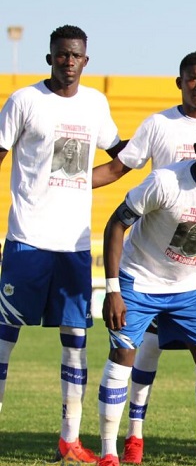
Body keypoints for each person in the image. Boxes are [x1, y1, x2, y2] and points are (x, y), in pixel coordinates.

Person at [92, 50, 196, 464]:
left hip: (194, 277)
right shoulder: (162, 169)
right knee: (132, 353)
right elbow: (116, 217)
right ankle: (117, 446)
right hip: (142, 278)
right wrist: (113, 290)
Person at [0, 24, 120, 464]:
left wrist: (81, 185)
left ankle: (69, 440)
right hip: (26, 239)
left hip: (72, 244)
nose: (68, 61)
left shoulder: (95, 104)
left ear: (85, 60)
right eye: (61, 54)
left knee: (75, 340)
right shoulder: (24, 101)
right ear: (49, 57)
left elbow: (120, 157)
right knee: (3, 339)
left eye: (76, 55)